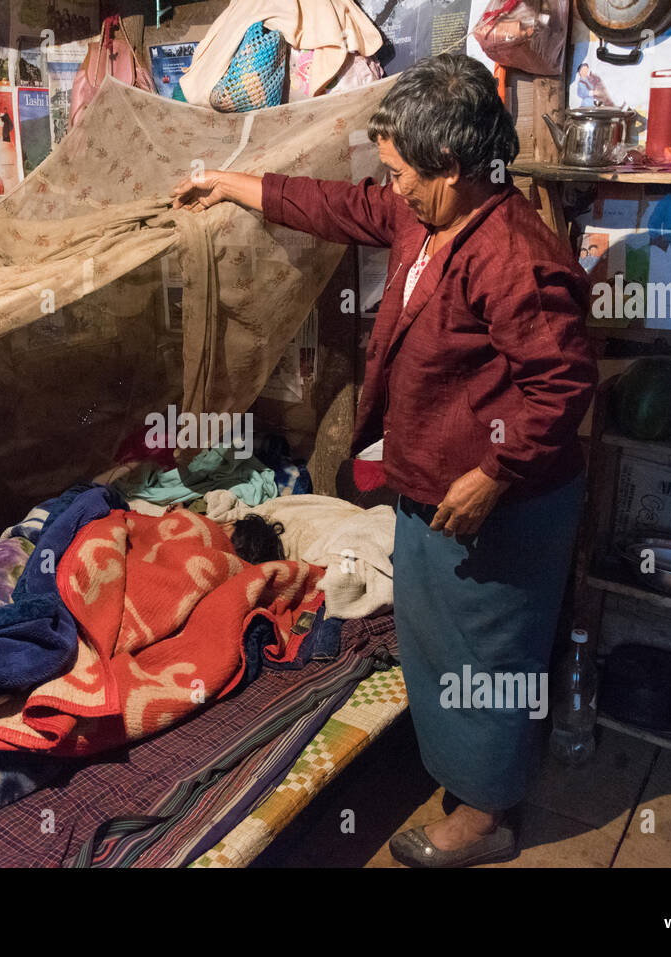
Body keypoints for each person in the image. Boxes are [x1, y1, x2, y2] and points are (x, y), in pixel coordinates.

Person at [172, 54, 597, 867]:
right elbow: (338, 206)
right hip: (440, 484)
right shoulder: (429, 218)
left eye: (403, 171)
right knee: (440, 637)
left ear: (453, 168)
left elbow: (561, 381)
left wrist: (496, 472)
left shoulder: (513, 256)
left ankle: (487, 817)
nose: (390, 186)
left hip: (501, 501)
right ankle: (469, 772)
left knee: (488, 652)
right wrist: (232, 183)